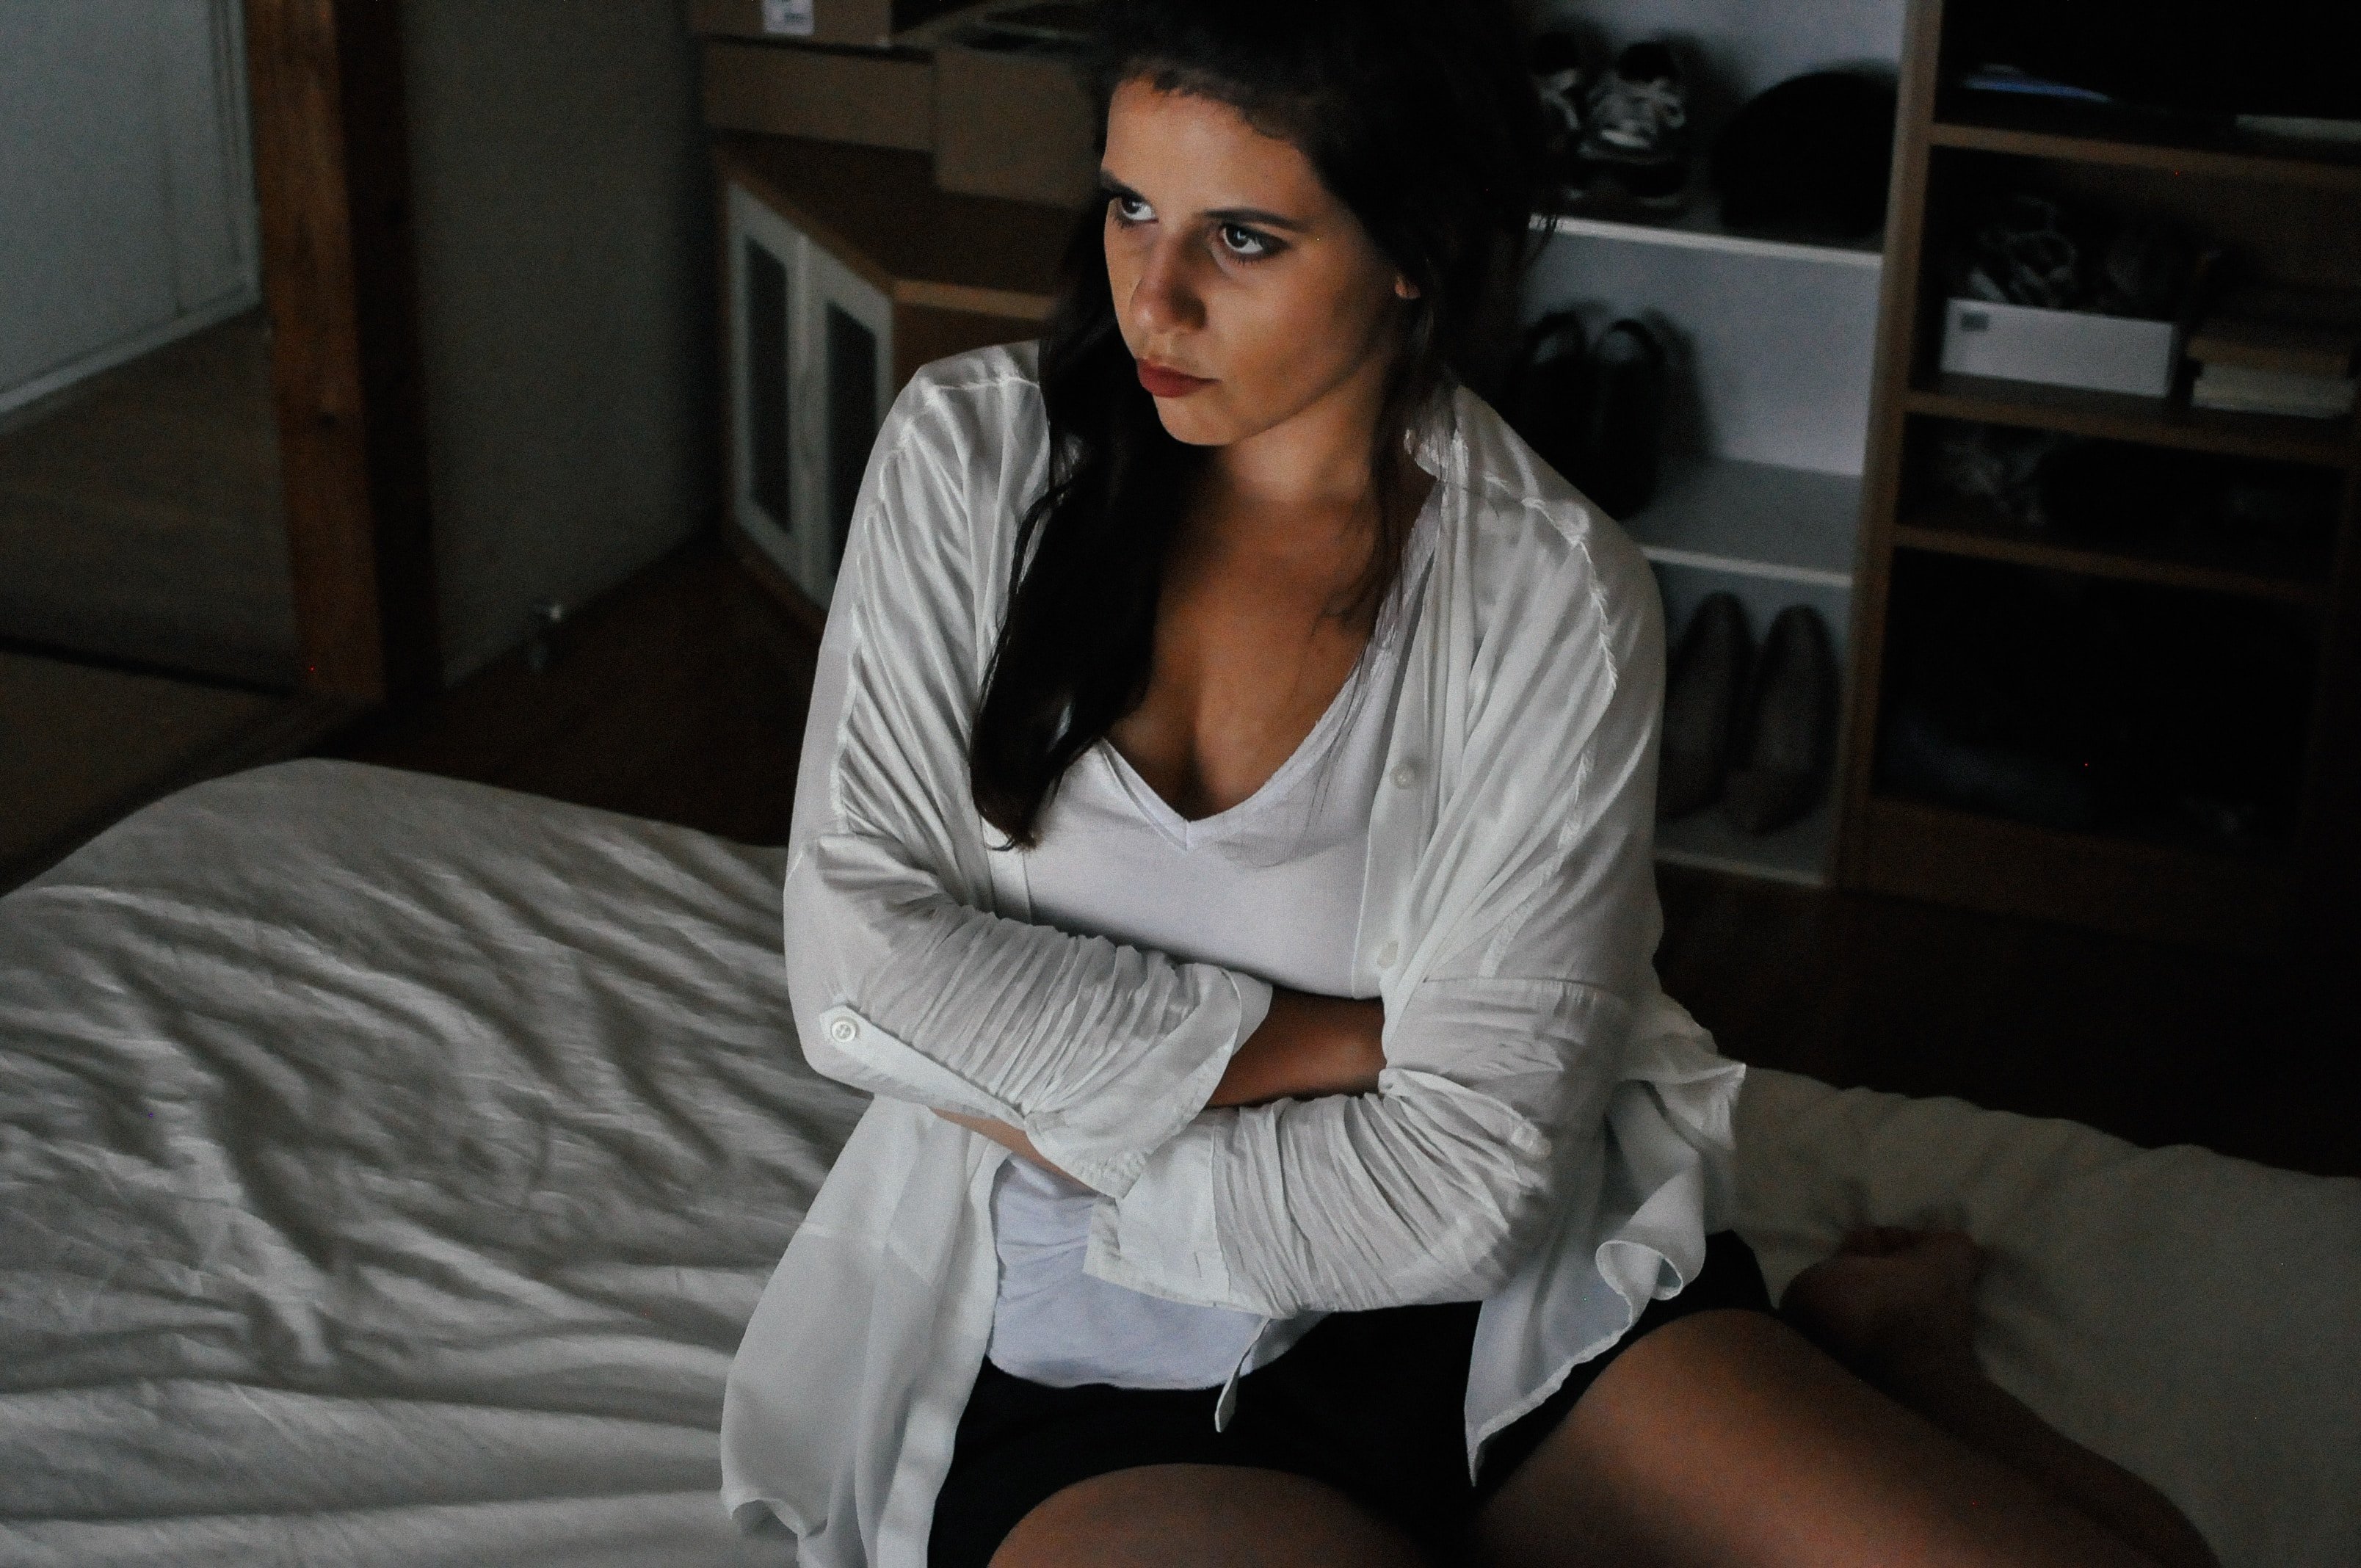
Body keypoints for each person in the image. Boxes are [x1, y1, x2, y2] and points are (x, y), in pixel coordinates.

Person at [720, 3, 2221, 1565]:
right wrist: (1336, 1045)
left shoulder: (1556, 589)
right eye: (1128, 206)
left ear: (1412, 255)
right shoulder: (970, 464)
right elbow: (856, 984)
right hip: (1120, 1367)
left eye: (1242, 238)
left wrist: (1081, 1119)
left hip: (1524, 1323)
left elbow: (1470, 1195)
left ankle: (1900, 1351)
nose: (1150, 296)